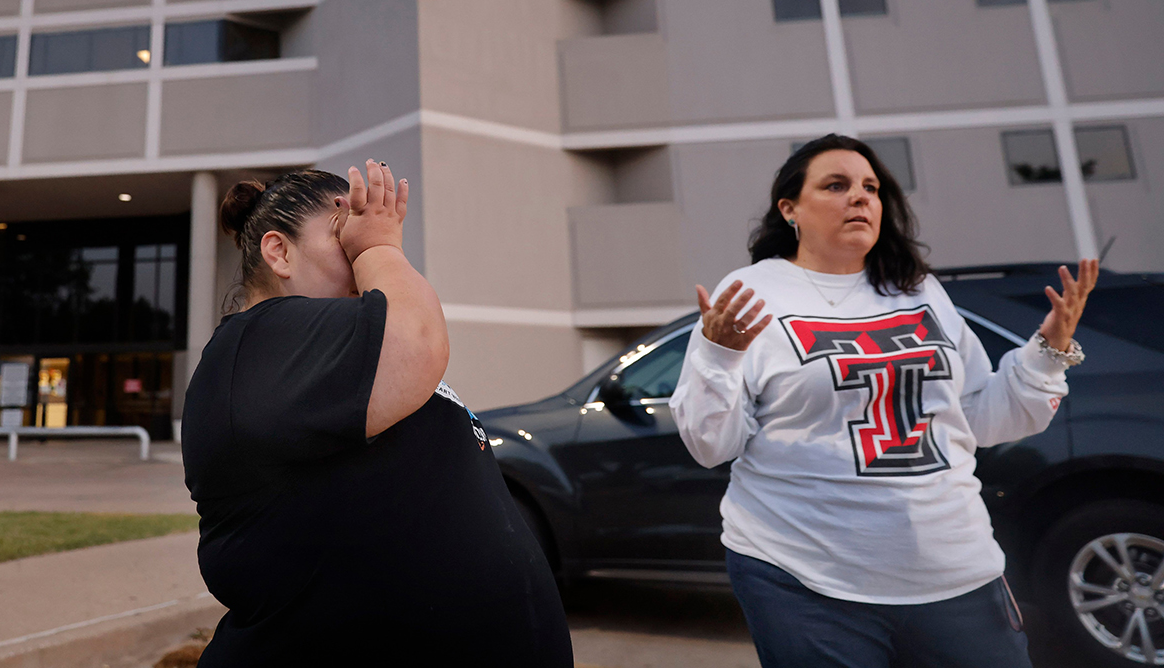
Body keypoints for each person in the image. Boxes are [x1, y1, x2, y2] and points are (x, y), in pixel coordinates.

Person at [670, 133, 1097, 668]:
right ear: (790, 209)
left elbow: (983, 417)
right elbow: (711, 445)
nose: (860, 197)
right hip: (805, 579)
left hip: (956, 574)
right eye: (836, 185)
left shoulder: (916, 290)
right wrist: (719, 356)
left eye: (870, 187)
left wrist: (1049, 349)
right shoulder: (753, 293)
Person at [182, 162, 572, 667]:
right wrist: (379, 247)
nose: (366, 249)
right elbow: (419, 343)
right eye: (347, 232)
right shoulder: (258, 338)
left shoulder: (328, 348)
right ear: (279, 251)